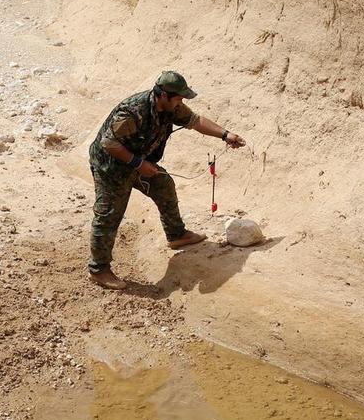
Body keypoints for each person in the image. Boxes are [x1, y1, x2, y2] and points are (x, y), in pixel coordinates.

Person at [87, 70, 246, 289]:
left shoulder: (172, 107)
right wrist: (139, 165)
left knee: (164, 186)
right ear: (163, 95)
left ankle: (176, 234)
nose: (181, 102)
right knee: (109, 214)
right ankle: (99, 270)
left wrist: (225, 135)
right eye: (179, 97)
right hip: (111, 167)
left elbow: (195, 121)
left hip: (139, 161)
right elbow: (110, 144)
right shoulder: (133, 112)